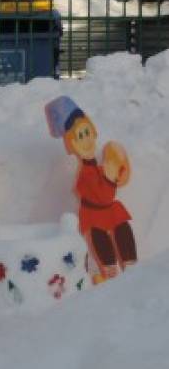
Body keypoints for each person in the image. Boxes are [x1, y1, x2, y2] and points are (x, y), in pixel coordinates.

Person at [45, 95, 137, 284]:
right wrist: (110, 179)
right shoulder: (85, 176)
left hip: (109, 210)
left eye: (87, 132)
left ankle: (131, 265)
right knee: (99, 240)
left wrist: (115, 173)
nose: (86, 140)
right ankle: (108, 271)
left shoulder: (98, 168)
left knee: (123, 228)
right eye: (80, 136)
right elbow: (102, 195)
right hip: (94, 214)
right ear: (71, 144)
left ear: (94, 132)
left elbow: (111, 189)